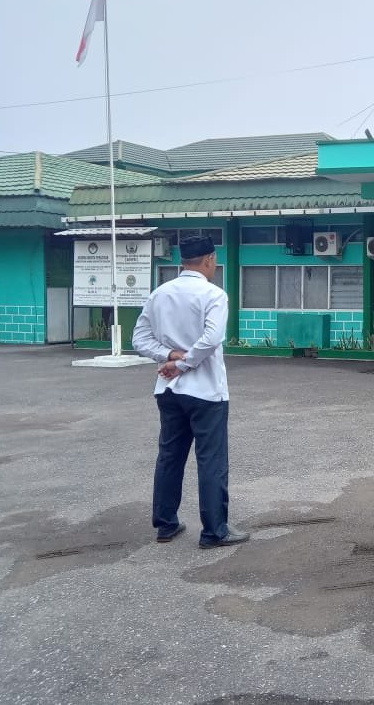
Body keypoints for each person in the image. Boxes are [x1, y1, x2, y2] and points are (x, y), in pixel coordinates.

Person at [132, 234, 249, 550]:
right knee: (211, 460)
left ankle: (166, 524)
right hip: (207, 392)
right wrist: (181, 363)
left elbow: (139, 339)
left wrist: (169, 356)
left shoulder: (159, 294)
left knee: (170, 457)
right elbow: (212, 339)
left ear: (183, 261)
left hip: (168, 390)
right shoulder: (214, 294)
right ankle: (214, 532)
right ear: (210, 259)